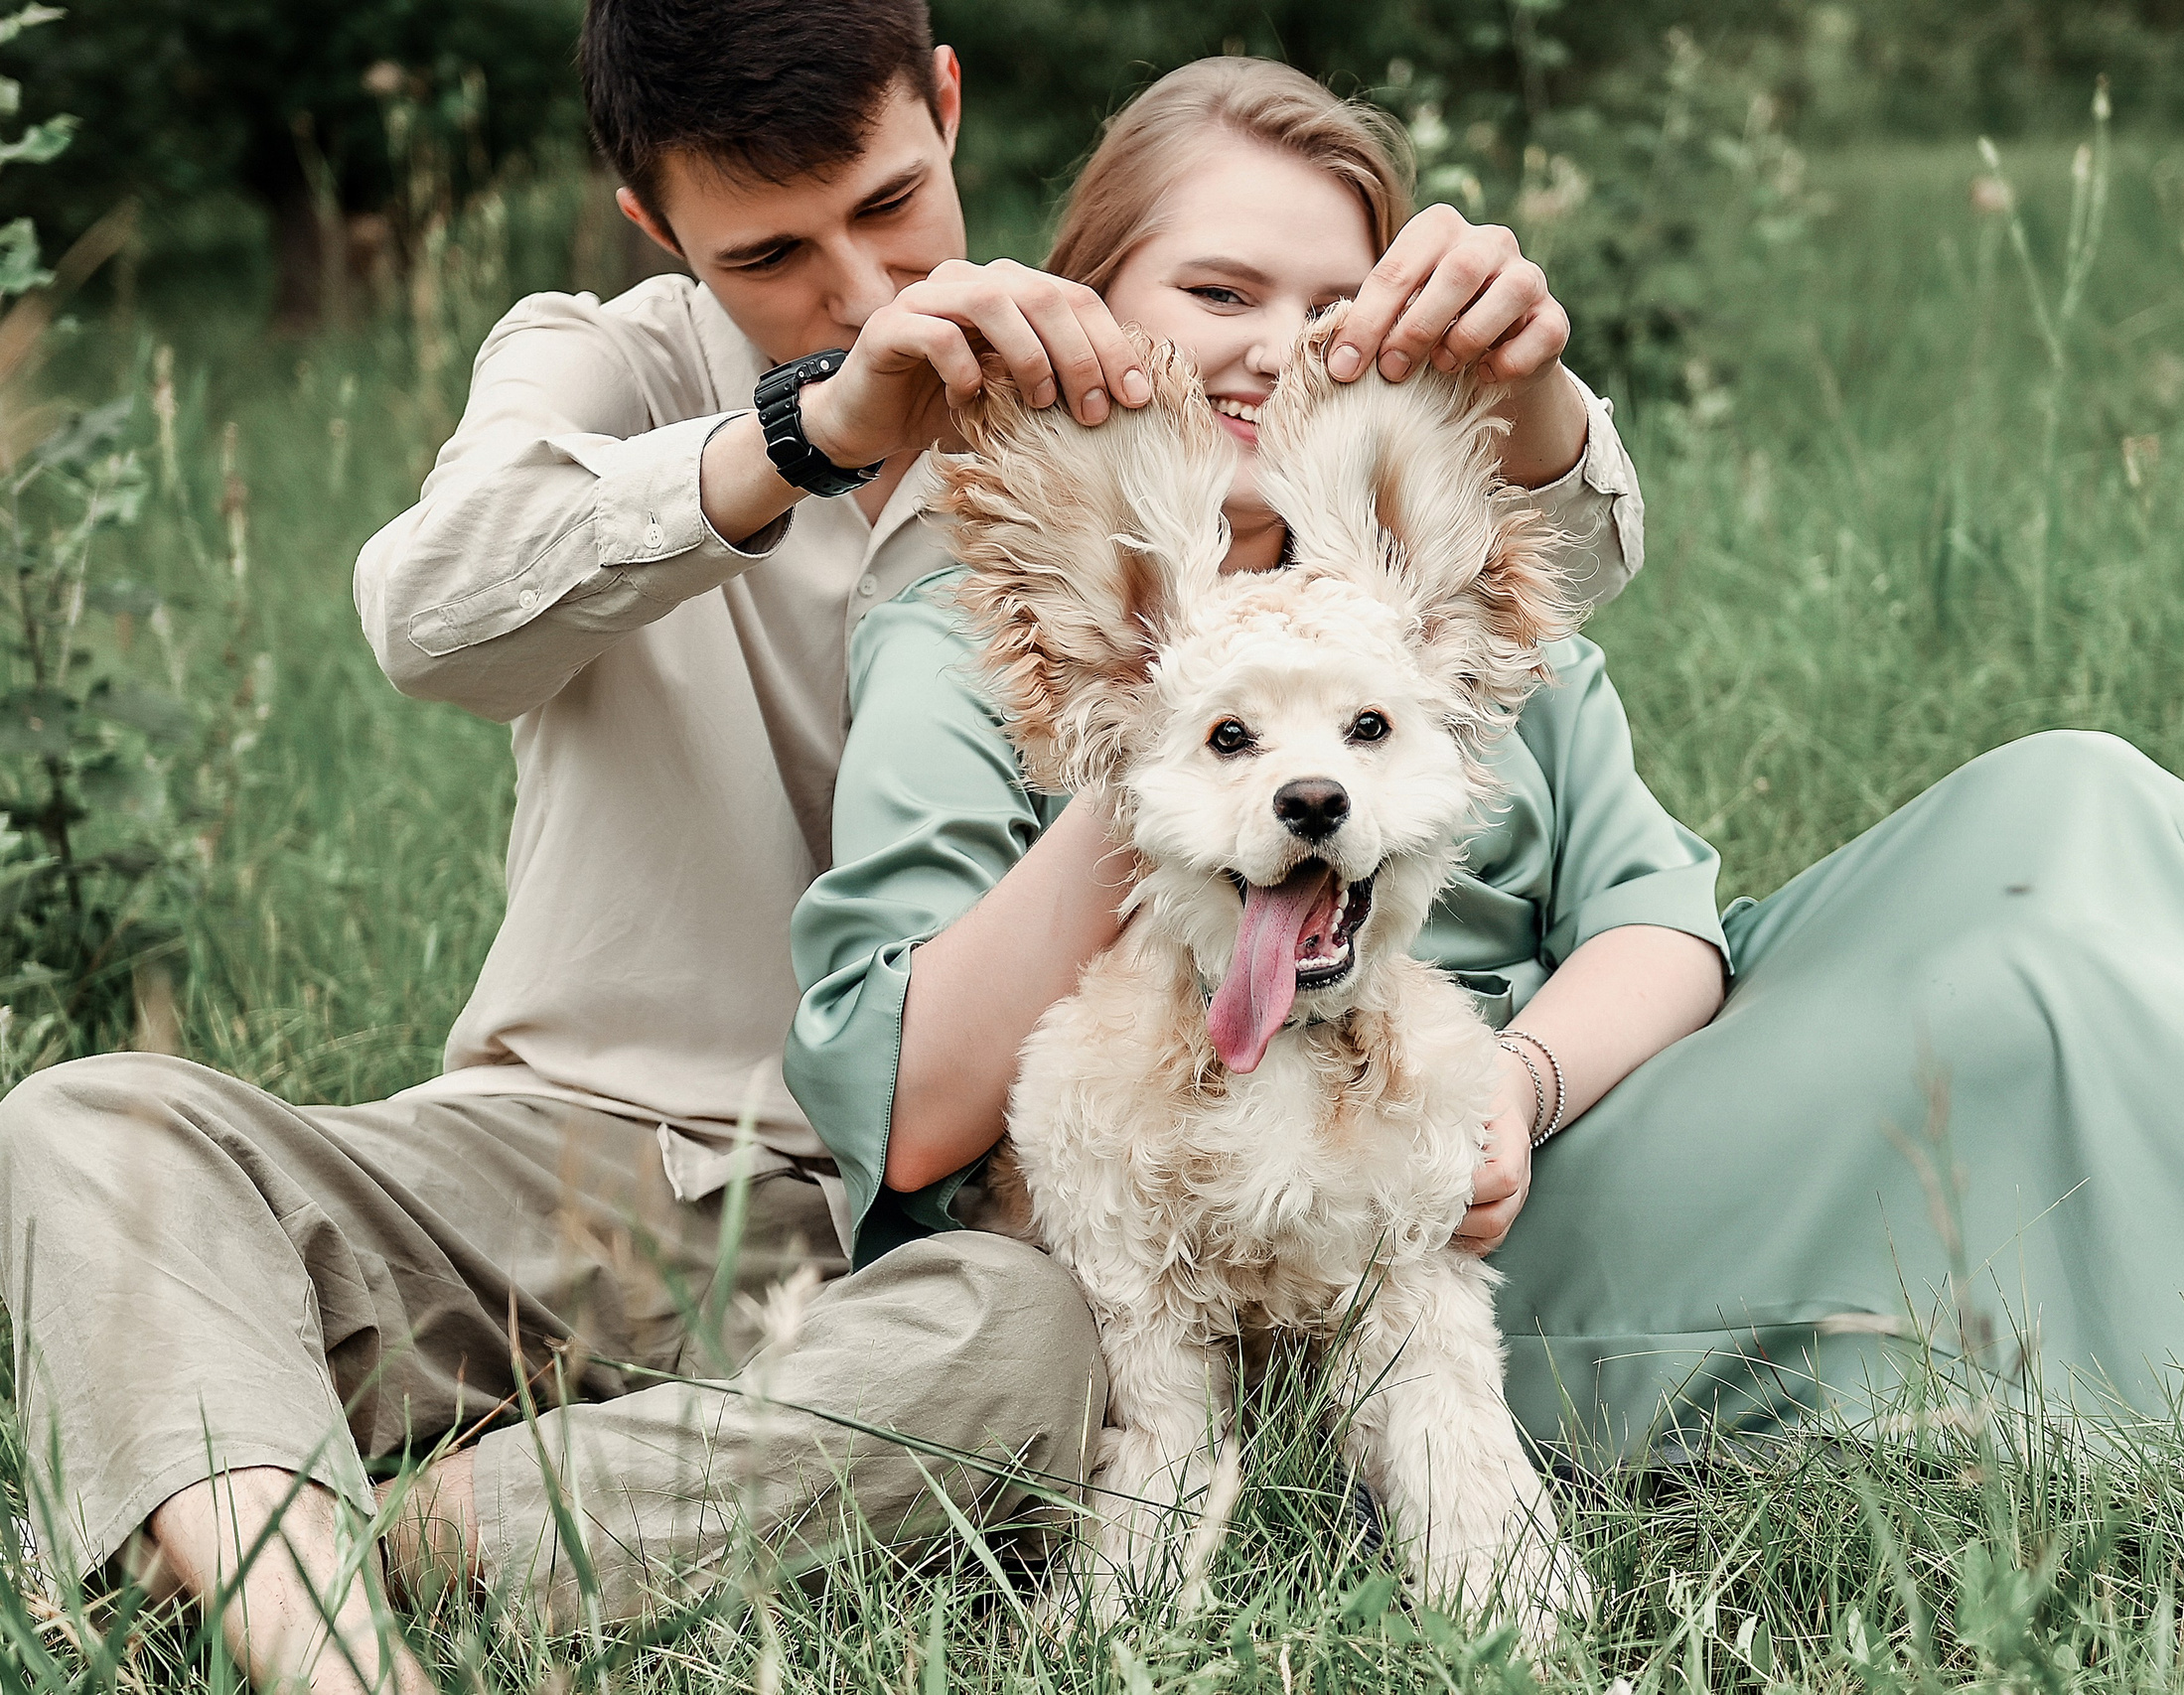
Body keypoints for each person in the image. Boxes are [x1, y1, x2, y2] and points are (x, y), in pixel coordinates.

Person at [0, 11, 1584, 1694]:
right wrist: (810, 430)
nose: (856, 284)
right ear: (654, 226)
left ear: (949, 104)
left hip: (872, 1248)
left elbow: (1504, 601)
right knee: (93, 1121)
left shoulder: (1108, 433)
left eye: (894, 203)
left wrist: (1537, 390)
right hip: (561, 1155)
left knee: (1024, 1347)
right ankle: (325, 1658)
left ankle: (330, 1539)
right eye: (767, 251)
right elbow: (429, 618)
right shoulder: (605, 363)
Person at [789, 56, 2184, 1483]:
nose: (1279, 344)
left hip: (1539, 1100)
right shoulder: (984, 632)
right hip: (1346, 1219)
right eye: (1220, 291)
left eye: (1339, 303)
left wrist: (1521, 1088)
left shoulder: (1437, 597)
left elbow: (1666, 923)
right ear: (1105, 315)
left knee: (2076, 793)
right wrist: (1185, 729)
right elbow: (915, 1103)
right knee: (2023, 1001)